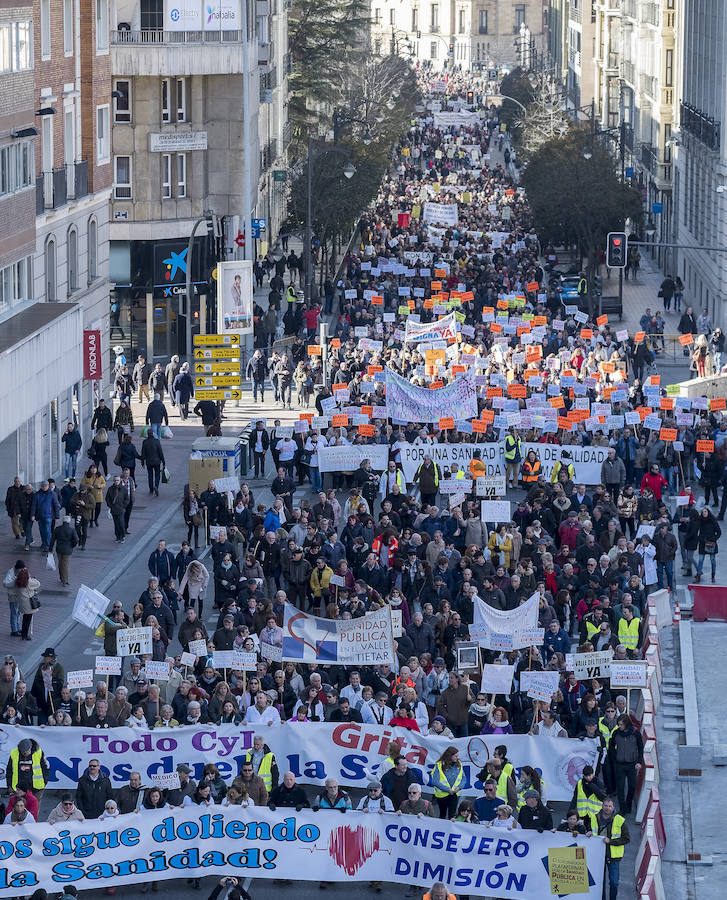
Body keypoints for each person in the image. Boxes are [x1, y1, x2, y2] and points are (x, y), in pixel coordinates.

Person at [608, 714, 643, 815]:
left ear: (627, 724)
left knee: (632, 786)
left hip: (632, 764)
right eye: (618, 724)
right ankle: (622, 809)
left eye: (621, 724)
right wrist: (615, 757)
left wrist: (639, 762)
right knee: (620, 788)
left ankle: (628, 805)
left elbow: (640, 748)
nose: (619, 726)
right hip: (619, 764)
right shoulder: (616, 733)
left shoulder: (635, 733)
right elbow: (611, 746)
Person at [596, 797, 630, 900]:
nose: (607, 808)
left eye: (609, 806)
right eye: (605, 805)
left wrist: (611, 841)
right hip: (598, 856)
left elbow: (626, 839)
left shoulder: (620, 820)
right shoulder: (595, 818)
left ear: (613, 807)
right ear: (602, 806)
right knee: (599, 883)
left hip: (613, 857)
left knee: (614, 883)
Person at [431, 746, 464, 819]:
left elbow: (463, 778)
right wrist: (448, 790)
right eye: (455, 756)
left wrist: (459, 787)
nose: (457, 758)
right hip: (442, 795)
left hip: (454, 794)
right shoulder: (439, 765)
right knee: (442, 815)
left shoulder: (459, 764)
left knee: (452, 816)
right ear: (450, 755)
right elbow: (435, 781)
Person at [48, 515, 78, 585]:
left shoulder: (57, 529)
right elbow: (76, 540)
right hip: (68, 550)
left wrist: (50, 549)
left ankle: (61, 578)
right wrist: (72, 545)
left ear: (63, 521)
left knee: (60, 564)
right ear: (69, 521)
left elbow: (52, 540)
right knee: (65, 565)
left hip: (59, 549)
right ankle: (65, 580)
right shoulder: (72, 530)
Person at [695, 507, 721, 583]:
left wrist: (714, 539)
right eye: (703, 512)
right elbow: (696, 531)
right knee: (700, 560)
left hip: (711, 543)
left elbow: (719, 532)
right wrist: (700, 539)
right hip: (703, 543)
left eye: (705, 512)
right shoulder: (700, 521)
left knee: (713, 560)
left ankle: (713, 576)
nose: (704, 513)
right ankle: (698, 575)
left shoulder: (713, 521)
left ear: (708, 512)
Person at [141, 429, 166, 496]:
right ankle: (156, 486)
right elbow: (160, 452)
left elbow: (143, 453)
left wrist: (142, 461)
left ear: (147, 434)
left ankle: (151, 489)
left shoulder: (145, 442)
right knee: (157, 474)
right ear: (153, 434)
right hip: (157, 461)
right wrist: (163, 461)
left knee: (150, 475)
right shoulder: (157, 441)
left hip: (149, 462)